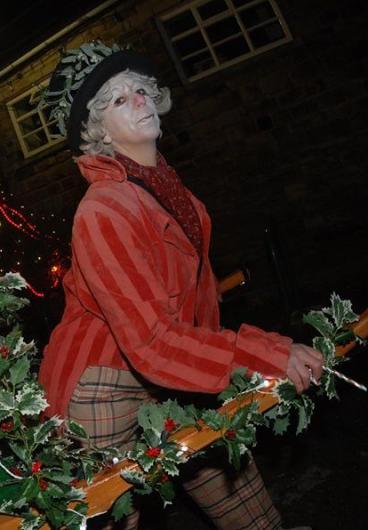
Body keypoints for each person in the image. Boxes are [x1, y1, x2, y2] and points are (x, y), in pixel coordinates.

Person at [39, 50, 323, 530]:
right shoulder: (102, 209)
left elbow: (194, 311)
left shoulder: (170, 192)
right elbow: (150, 341)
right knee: (113, 517)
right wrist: (264, 354)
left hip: (171, 367)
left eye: (143, 90)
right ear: (99, 130)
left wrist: (223, 364)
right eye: (119, 99)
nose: (141, 101)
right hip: (100, 386)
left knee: (246, 502)